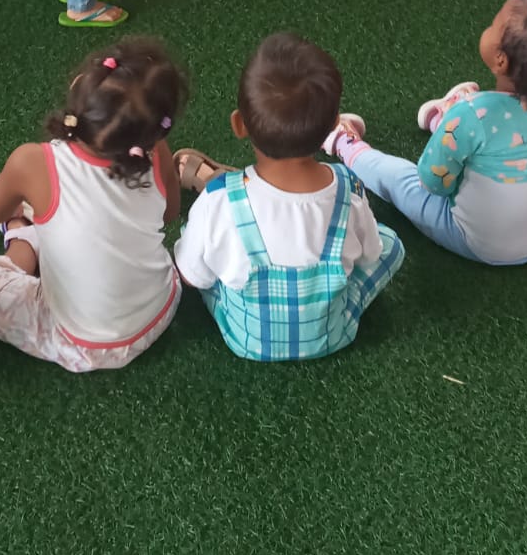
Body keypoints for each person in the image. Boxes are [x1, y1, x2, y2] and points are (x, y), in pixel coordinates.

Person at [0, 38, 186, 373]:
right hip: (160, 309)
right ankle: (38, 224)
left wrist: (18, 211)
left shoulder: (32, 162)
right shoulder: (157, 151)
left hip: (81, 343)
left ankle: (24, 240)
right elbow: (170, 213)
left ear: (80, 86)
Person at [173, 33, 404, 362]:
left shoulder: (217, 202)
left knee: (199, 246)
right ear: (333, 126)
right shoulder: (348, 189)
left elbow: (190, 277)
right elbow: (370, 256)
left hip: (246, 341)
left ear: (239, 124)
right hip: (334, 334)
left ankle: (219, 183)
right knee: (391, 245)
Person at [326, 0, 527, 264]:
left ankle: (344, 143)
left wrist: (460, 122)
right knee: (478, 141)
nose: (488, 27)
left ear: (501, 60)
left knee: (401, 180)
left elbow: (432, 183)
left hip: (475, 243)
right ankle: (445, 122)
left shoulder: (473, 115)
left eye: (493, 25)